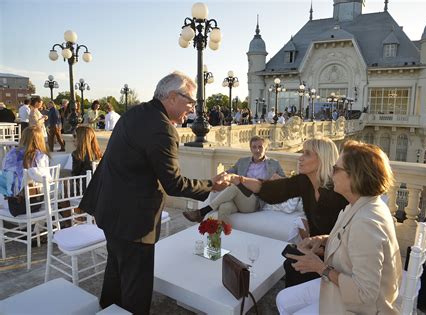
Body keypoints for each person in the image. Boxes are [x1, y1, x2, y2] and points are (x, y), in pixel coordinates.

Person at [79, 71, 231, 314]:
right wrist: (212, 185)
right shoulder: (162, 128)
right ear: (172, 97)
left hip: (109, 211)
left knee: (116, 273)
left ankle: (107, 309)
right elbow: (174, 184)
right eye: (190, 102)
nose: (192, 109)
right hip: (134, 222)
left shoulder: (135, 113)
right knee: (136, 290)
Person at [278, 140, 402, 314]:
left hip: (360, 307)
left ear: (355, 176)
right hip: (341, 287)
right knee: (282, 299)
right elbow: (351, 240)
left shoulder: (366, 222)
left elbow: (365, 294)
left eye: (336, 169)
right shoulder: (358, 204)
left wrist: (320, 268)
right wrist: (323, 239)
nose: (330, 172)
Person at [227, 136, 348, 287]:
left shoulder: (337, 191)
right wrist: (239, 179)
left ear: (322, 159)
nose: (300, 158)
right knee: (289, 259)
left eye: (307, 154)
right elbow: (270, 190)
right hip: (315, 249)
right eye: (302, 153)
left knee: (293, 263)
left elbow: (348, 234)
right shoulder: (305, 182)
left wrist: (322, 249)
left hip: (335, 260)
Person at [183, 135, 286, 223]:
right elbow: (229, 172)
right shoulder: (243, 162)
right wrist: (215, 180)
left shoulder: (273, 164)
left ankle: (202, 212)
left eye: (260, 147)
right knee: (224, 207)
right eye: (254, 147)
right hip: (239, 199)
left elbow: (286, 182)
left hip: (255, 201)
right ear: (250, 148)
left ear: (265, 148)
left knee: (234, 186)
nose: (257, 150)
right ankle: (223, 239)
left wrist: (277, 179)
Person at [2, 126, 50, 216]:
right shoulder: (41, 156)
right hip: (32, 204)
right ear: (40, 140)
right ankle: (37, 225)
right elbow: (45, 180)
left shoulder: (11, 153)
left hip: (11, 204)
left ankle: (27, 227)